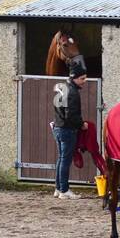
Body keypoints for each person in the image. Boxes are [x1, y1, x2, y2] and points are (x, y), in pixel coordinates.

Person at [52, 64, 88, 199]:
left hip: (58, 127)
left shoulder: (63, 88)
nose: (84, 81)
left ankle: (58, 188)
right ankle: (64, 190)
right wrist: (81, 124)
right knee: (65, 160)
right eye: (82, 79)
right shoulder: (72, 93)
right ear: (75, 78)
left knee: (61, 159)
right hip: (67, 130)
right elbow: (71, 115)